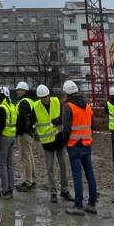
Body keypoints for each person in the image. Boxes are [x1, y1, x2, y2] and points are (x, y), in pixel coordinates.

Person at [62, 80, 98, 215]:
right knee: (90, 174)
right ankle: (92, 204)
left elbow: (66, 128)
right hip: (86, 145)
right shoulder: (87, 105)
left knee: (77, 176)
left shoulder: (68, 106)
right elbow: (93, 126)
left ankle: (78, 206)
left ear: (66, 93)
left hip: (74, 146)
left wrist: (64, 141)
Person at [33, 84, 73, 205]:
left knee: (63, 166)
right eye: (42, 98)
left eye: (45, 97)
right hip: (47, 143)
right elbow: (33, 120)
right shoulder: (35, 106)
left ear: (49, 95)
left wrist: (60, 120)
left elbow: (64, 115)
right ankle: (53, 191)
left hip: (59, 139)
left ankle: (65, 190)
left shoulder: (56, 101)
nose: (44, 99)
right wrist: (29, 123)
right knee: (49, 168)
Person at [0, 86, 17, 199]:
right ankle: (10, 188)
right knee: (9, 164)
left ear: (1, 95)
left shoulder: (1, 107)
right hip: (12, 137)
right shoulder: (12, 106)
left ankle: (5, 190)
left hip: (4, 138)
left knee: (2, 164)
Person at [14, 81, 37, 191]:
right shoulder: (30, 101)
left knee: (25, 157)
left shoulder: (23, 103)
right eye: (17, 90)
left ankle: (27, 181)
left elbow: (22, 120)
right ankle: (32, 177)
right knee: (29, 155)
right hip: (29, 132)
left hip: (24, 133)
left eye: (20, 90)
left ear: (24, 91)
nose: (17, 91)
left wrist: (19, 131)